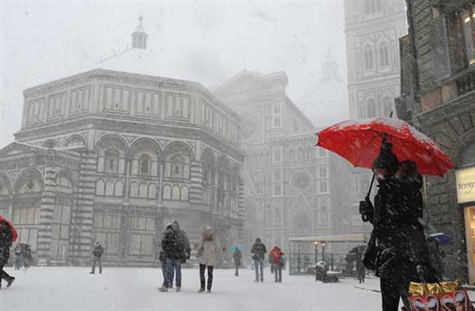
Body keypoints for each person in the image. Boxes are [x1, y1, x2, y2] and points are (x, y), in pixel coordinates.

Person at [359, 143, 437, 311]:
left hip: (404, 259)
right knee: (394, 306)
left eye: (379, 170)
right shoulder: (385, 192)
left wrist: (422, 262)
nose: (376, 174)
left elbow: (409, 225)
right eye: (375, 171)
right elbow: (385, 226)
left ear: (389, 170)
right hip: (390, 260)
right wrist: (371, 213)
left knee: (414, 306)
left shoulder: (405, 191)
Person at [160, 221, 186, 292]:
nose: (175, 227)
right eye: (174, 226)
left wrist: (182, 252)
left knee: (178, 272)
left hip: (177, 256)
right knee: (169, 271)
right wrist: (167, 250)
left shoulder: (180, 235)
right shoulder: (169, 234)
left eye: (176, 226)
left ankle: (178, 285)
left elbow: (183, 245)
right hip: (170, 256)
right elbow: (164, 244)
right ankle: (167, 284)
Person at [197, 226, 216, 293]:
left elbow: (219, 247)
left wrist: (223, 248)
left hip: (211, 259)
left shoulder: (214, 240)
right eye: (206, 232)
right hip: (203, 258)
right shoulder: (202, 239)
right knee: (202, 273)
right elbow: (198, 246)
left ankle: (209, 288)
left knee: (210, 274)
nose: (208, 234)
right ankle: (202, 287)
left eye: (209, 232)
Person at [0, 220, 15, 289]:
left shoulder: (9, 233)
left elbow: (9, 244)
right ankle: (9, 279)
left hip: (4, 253)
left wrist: (2, 242)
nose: (2, 226)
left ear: (6, 225)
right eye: (1, 225)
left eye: (3, 225)